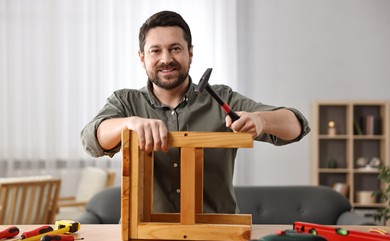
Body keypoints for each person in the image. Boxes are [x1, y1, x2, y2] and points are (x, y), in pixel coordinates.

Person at [81, 10, 310, 213]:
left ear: (190, 53)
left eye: (175, 49)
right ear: (142, 58)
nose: (166, 59)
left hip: (217, 235)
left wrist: (261, 120)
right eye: (155, 51)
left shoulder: (223, 99)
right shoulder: (126, 101)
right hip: (144, 236)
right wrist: (128, 123)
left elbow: (296, 126)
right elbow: (91, 139)